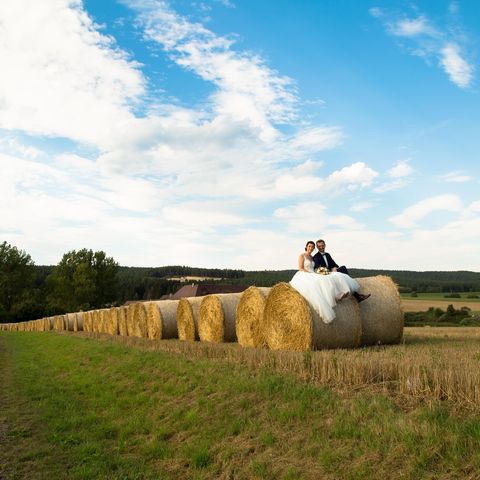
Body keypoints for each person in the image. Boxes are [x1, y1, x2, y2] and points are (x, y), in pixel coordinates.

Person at [290, 241, 370, 323]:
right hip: (306, 274)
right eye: (309, 246)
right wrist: (312, 273)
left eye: (312, 247)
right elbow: (301, 268)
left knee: (342, 271)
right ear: (306, 247)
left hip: (317, 272)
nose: (311, 248)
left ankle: (353, 294)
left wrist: (334, 267)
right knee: (324, 280)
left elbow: (333, 263)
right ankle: (337, 295)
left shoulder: (314, 256)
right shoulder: (305, 256)